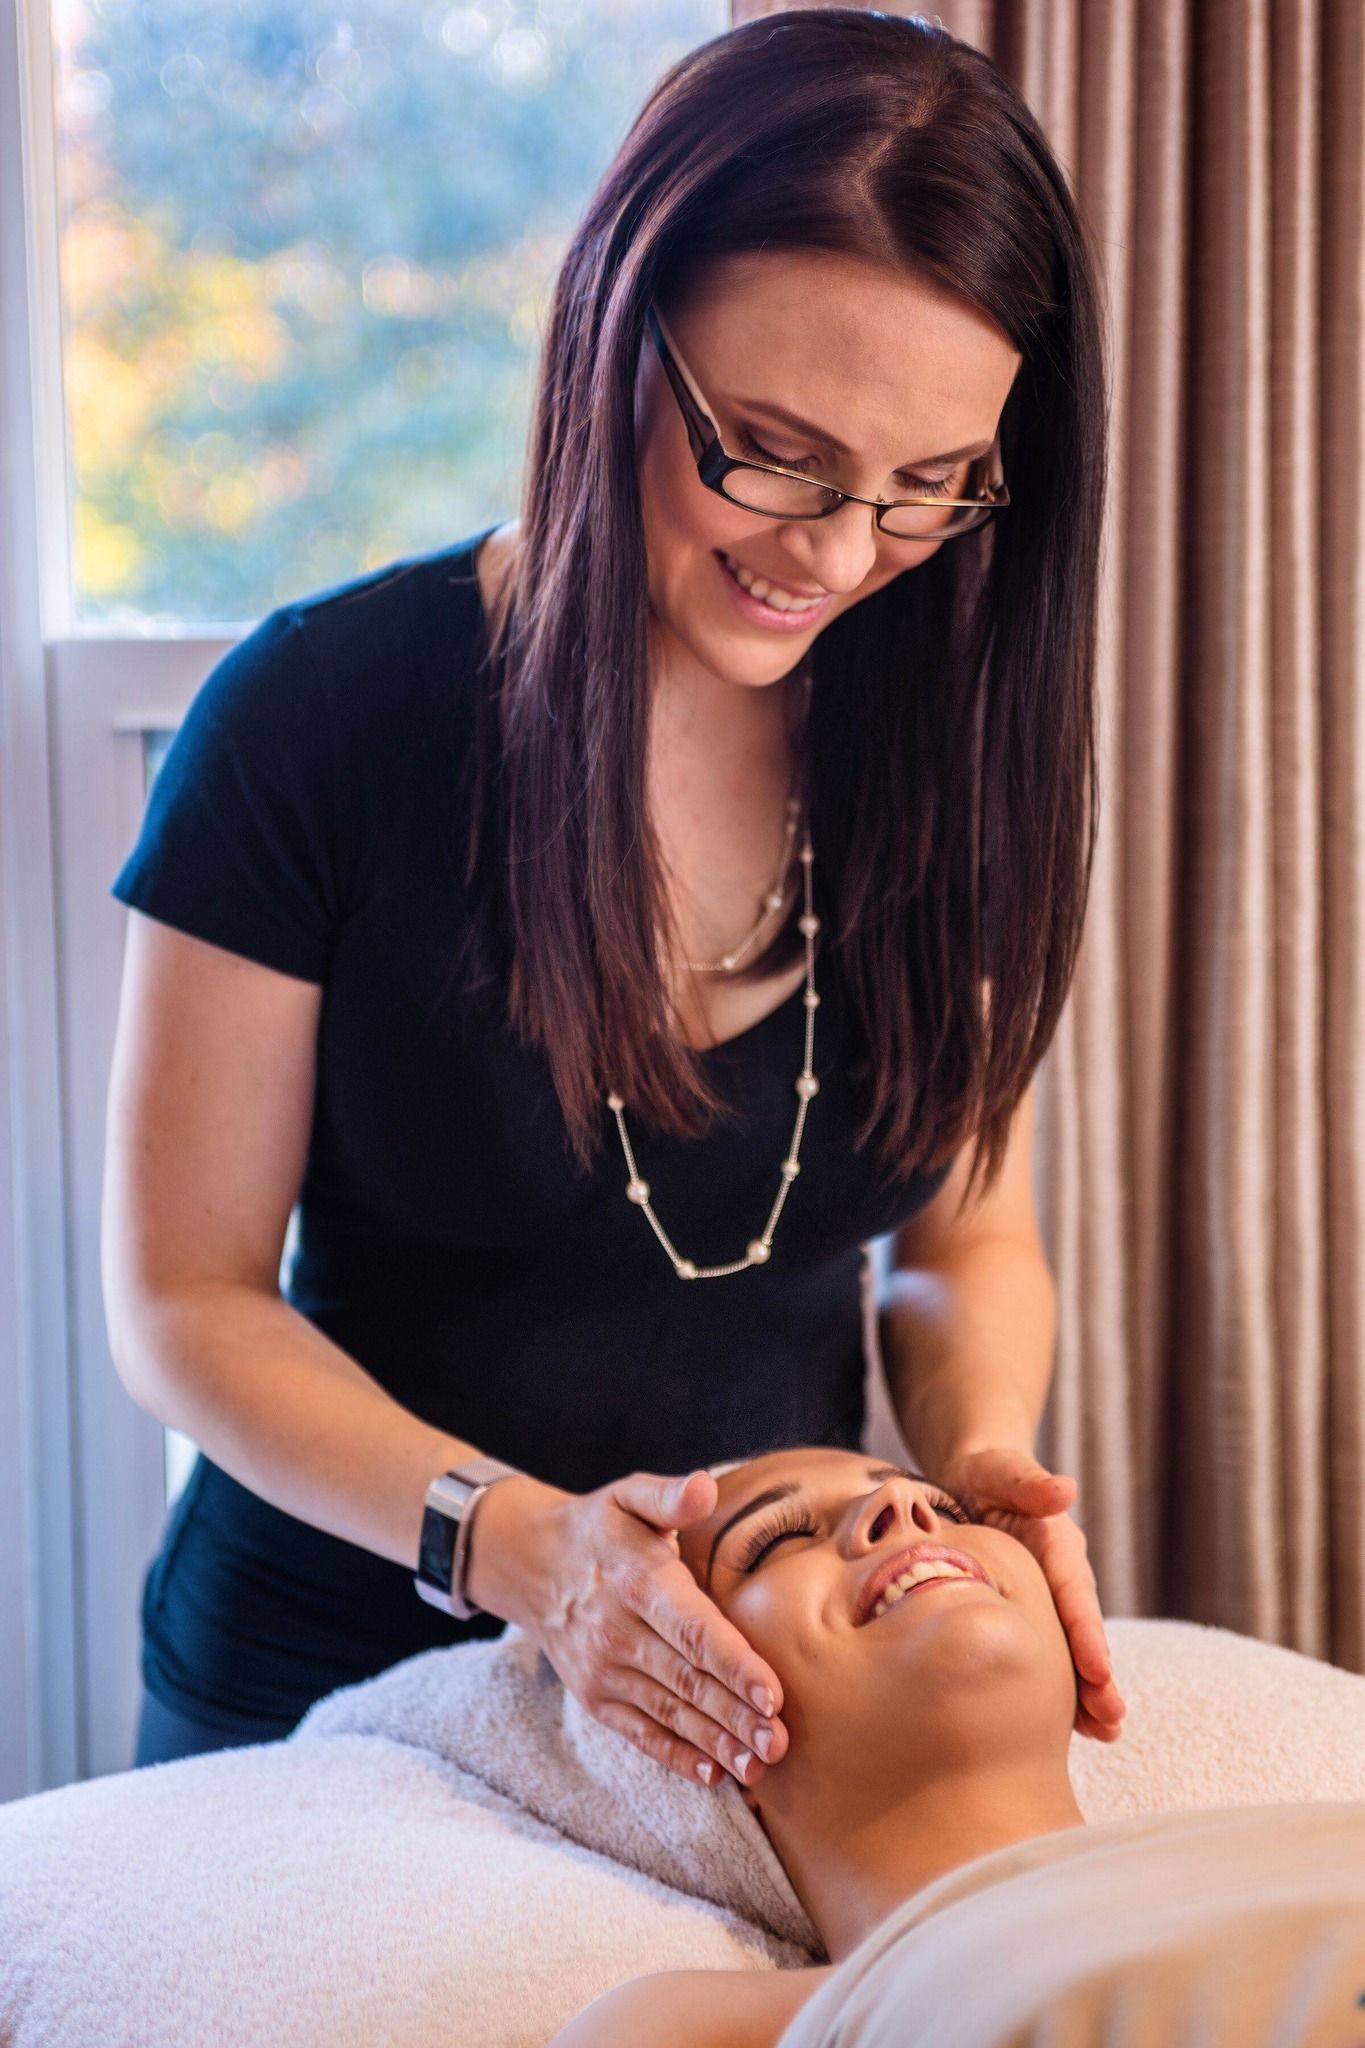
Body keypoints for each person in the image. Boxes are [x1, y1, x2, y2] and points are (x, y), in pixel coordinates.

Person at [102, 7, 1125, 1778]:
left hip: (736, 1707)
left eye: (928, 489)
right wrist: (522, 1550)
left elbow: (963, 1236)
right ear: (610, 326)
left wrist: (975, 1458)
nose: (833, 553)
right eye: (774, 451)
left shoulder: (942, 735)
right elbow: (186, 1300)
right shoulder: (319, 717)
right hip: (321, 1683)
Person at [550, 1449, 1365, 2048]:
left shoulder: (1310, 1843)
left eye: (951, 1508)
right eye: (777, 1541)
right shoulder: (703, 2027)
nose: (906, 1504)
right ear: (680, 1724)